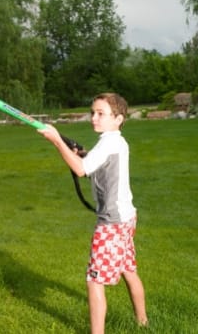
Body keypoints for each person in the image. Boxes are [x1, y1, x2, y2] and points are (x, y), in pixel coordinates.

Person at [38, 93, 148, 333]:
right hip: (127, 217)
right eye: (93, 112)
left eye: (101, 114)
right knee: (128, 269)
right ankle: (143, 322)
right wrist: (82, 152)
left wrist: (56, 140)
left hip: (112, 223)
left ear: (118, 119)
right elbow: (95, 162)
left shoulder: (109, 142)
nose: (94, 118)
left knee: (94, 280)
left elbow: (80, 170)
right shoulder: (116, 141)